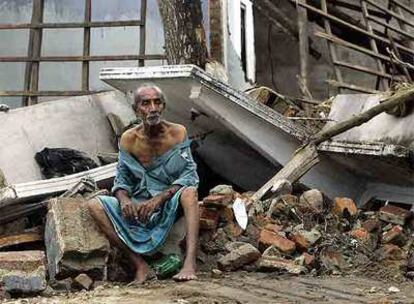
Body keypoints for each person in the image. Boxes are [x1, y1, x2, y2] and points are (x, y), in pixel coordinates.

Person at [87, 84, 200, 283]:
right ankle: (139, 265)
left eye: (157, 102)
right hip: (140, 205)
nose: (153, 108)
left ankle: (189, 262)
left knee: (190, 192)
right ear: (136, 109)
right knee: (94, 205)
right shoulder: (129, 139)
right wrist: (123, 200)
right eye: (146, 103)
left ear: (163, 106)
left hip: (168, 201)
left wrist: (161, 197)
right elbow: (121, 180)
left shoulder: (178, 133)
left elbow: (190, 174)